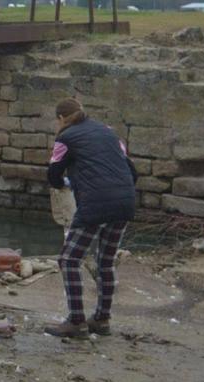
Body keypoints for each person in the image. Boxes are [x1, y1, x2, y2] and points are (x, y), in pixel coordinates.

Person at [43, 98, 137, 339]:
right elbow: (132, 171)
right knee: (105, 261)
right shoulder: (109, 133)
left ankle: (76, 320)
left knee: (68, 259)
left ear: (61, 119)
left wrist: (66, 183)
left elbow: (53, 174)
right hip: (125, 200)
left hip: (95, 204)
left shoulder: (65, 138)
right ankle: (102, 319)